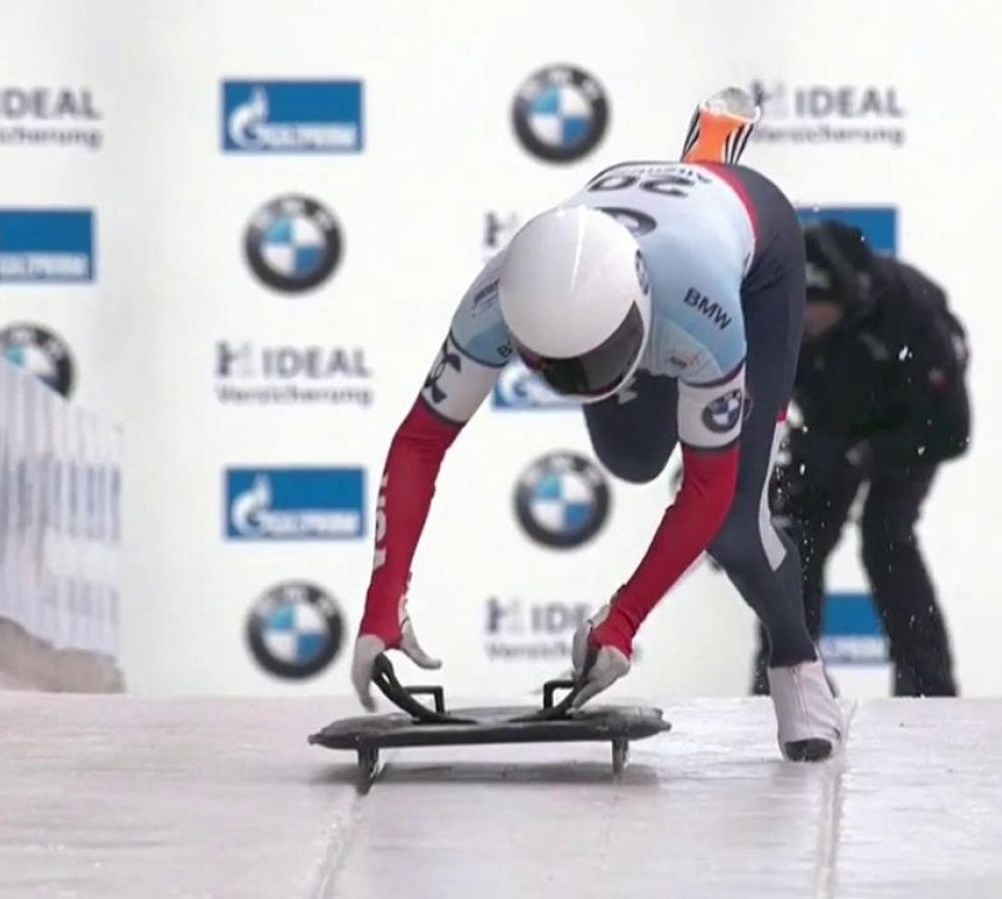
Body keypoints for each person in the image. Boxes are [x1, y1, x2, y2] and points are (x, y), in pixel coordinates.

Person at [349, 90, 846, 762]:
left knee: (734, 523)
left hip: (749, 260)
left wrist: (624, 619)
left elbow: (705, 493)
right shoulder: (496, 300)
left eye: (598, 361)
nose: (582, 381)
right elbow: (419, 442)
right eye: (559, 370)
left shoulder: (704, 318)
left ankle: (799, 666)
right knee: (633, 457)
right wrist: (383, 601)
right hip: (641, 265)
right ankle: (699, 163)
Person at [751, 219, 971, 698]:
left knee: (887, 536)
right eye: (799, 310)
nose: (806, 322)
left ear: (847, 299)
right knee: (796, 539)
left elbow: (952, 431)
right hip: (830, 420)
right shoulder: (774, 316)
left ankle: (927, 688)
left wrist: (864, 453)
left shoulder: (912, 314)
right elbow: (745, 405)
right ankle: (784, 680)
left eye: (817, 309)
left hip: (911, 426)